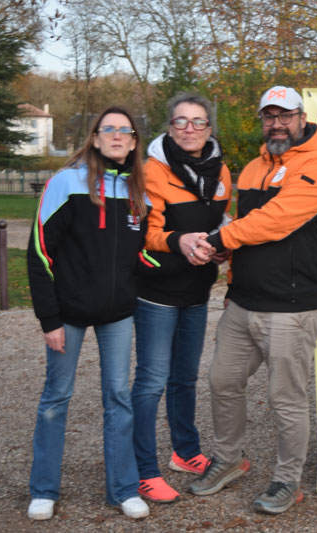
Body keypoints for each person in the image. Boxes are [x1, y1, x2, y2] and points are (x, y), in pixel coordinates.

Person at [183, 85, 317, 515]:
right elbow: (246, 228)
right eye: (269, 116)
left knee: (286, 399)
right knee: (222, 382)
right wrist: (224, 250)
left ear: (302, 118)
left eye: (285, 115)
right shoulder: (252, 168)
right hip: (243, 302)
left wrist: (219, 237)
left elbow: (274, 222)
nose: (276, 123)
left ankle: (287, 481)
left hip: (292, 307)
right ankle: (230, 459)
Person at [26, 106, 151, 521]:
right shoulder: (67, 182)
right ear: (95, 138)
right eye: (107, 129)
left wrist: (194, 254)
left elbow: (143, 255)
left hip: (118, 314)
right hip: (70, 313)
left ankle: (123, 489)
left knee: (119, 398)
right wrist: (50, 319)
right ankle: (43, 489)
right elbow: (40, 252)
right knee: (55, 399)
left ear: (134, 142)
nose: (116, 136)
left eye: (125, 131)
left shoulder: (138, 193)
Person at [131, 93, 232, 503]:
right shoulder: (150, 170)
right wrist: (178, 240)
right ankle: (141, 469)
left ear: (210, 128)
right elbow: (143, 232)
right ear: (169, 126)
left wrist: (224, 247)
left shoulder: (221, 169)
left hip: (196, 290)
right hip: (156, 292)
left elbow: (223, 221)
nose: (190, 129)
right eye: (181, 121)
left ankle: (185, 452)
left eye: (198, 121)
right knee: (151, 381)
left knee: (185, 378)